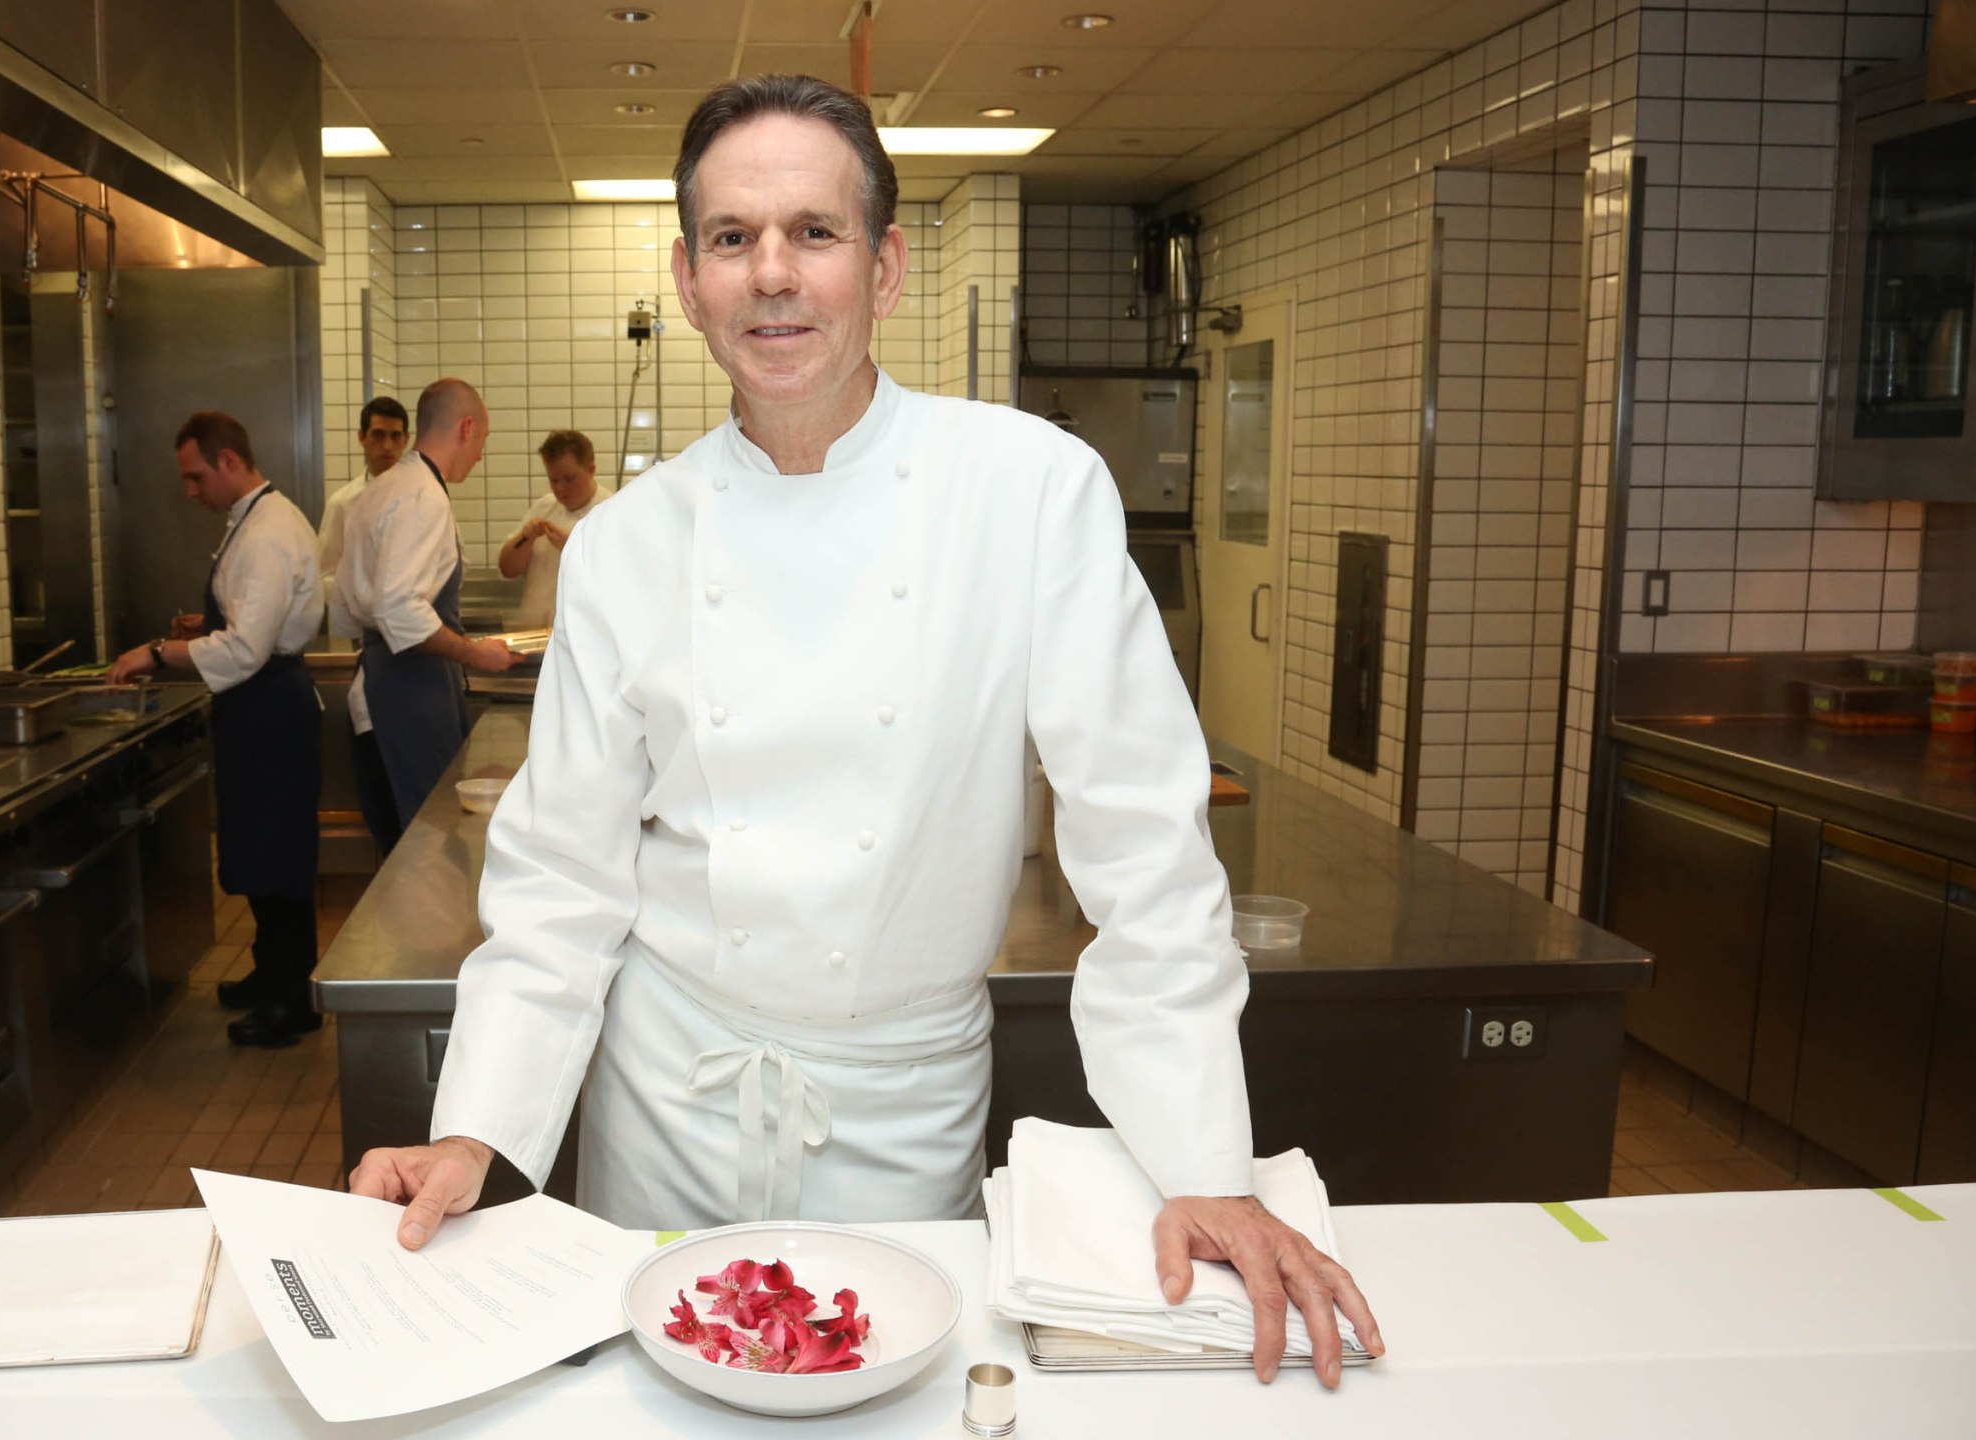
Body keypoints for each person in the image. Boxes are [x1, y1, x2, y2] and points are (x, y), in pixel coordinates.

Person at [347, 75, 1384, 1388]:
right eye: (732, 239)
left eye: (813, 234)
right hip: (666, 1095)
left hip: (899, 1103)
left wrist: (1204, 1168)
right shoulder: (624, 546)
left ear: (884, 267)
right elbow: (562, 884)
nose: (772, 274)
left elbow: (1142, 846)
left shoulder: (1026, 493)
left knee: (895, 1395)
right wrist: (477, 1131)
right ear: (689, 276)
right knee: (656, 1401)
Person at [107, 412, 324, 1051]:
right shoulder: (255, 519)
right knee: (259, 847)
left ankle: (293, 1000)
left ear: (229, 460)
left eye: (196, 476)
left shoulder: (268, 532)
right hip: (256, 708)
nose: (190, 491)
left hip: (270, 710)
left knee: (278, 855)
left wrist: (156, 652)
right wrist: (208, 622)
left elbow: (247, 649)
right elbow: (255, 615)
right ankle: (271, 973)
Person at [331, 377, 520, 854]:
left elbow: (347, 605)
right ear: (466, 427)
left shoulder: (381, 489)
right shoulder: (422, 496)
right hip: (408, 694)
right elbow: (399, 609)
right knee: (427, 843)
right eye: (483, 441)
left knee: (403, 839)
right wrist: (474, 654)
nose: (479, 454)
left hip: (383, 682)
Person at [495, 429, 612, 629]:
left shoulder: (611, 512)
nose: (560, 489)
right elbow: (508, 569)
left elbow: (618, 583)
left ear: (591, 470)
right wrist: (525, 538)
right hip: (535, 635)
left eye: (569, 479)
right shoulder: (543, 507)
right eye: (554, 480)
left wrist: (573, 548)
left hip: (584, 638)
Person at [320, 396, 410, 638]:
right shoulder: (342, 503)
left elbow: (454, 562)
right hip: (354, 631)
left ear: (406, 440)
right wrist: (364, 595)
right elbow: (323, 575)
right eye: (378, 435)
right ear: (362, 437)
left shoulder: (424, 499)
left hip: (409, 628)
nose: (388, 446)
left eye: (395, 436)